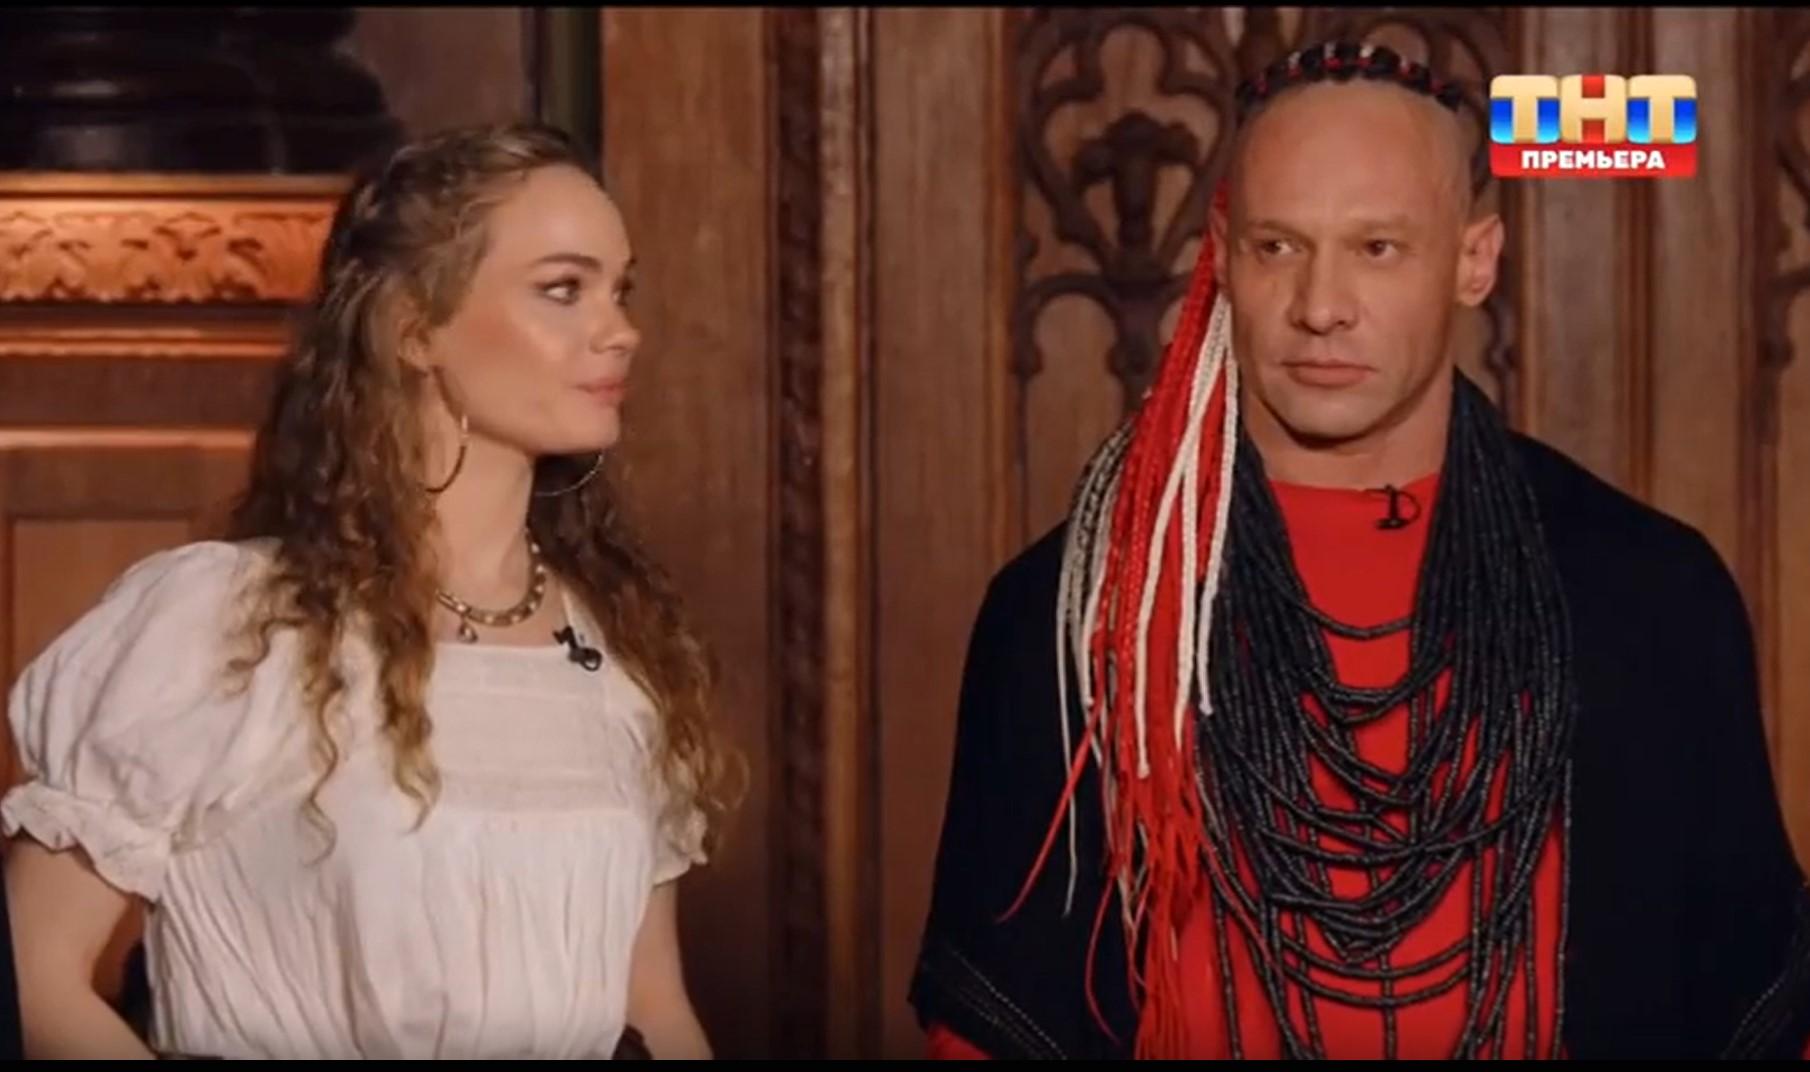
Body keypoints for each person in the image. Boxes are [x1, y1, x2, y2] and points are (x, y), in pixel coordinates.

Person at [910, 41, 1810, 1060]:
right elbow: (992, 1029)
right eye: (1277, 247)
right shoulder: (1079, 604)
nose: (1320, 306)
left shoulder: (1648, 598)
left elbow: (1755, 1012)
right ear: (1221, 255)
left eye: (1377, 248)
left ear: (1474, 261)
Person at [2, 122, 742, 1060]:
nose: (619, 330)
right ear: (415, 329)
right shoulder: (230, 628)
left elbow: (656, 1009)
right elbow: (35, 972)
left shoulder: (615, 656)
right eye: (564, 289)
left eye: (620, 289)